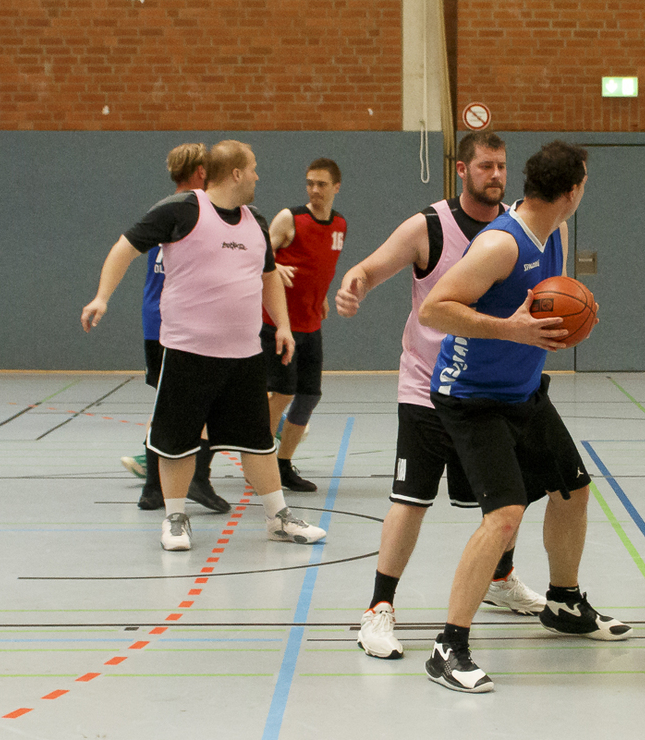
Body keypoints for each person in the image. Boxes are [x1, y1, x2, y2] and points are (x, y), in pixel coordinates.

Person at [418, 140, 632, 694]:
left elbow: (547, 301)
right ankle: (448, 647)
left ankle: (562, 602)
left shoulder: (555, 232)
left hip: (522, 391)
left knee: (573, 488)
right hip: (470, 397)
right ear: (572, 190)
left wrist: (576, 308)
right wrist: (511, 329)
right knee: (504, 515)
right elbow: (435, 307)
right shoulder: (501, 244)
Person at [335, 131, 546, 662]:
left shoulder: (520, 227)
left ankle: (500, 578)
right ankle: (378, 608)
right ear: (460, 170)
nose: (496, 175)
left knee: (507, 497)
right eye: (485, 166)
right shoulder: (429, 226)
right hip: (429, 387)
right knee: (411, 500)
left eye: (501, 166)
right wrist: (355, 282)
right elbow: (372, 266)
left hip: (492, 389)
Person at [80, 140, 327, 552]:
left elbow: (268, 276)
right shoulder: (181, 211)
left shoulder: (255, 221)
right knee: (178, 441)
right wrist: (102, 296)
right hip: (187, 353)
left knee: (258, 442)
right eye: (253, 169)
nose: (257, 176)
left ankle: (278, 518)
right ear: (234, 173)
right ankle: (175, 519)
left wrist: (282, 325)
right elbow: (125, 247)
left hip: (244, 355)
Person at [120, 142, 230, 514]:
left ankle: (161, 486)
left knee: (177, 406)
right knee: (185, 408)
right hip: (174, 324)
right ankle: (181, 482)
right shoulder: (189, 212)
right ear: (201, 172)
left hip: (164, 322)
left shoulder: (169, 209)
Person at [263, 158, 346, 493]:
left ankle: (283, 464)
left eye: (322, 184)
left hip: (311, 324)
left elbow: (321, 264)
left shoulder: (339, 224)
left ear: (336, 187)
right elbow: (257, 256)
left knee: (309, 395)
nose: (314, 190)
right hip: (278, 323)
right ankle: (261, 458)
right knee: (282, 392)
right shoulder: (290, 218)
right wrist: (273, 268)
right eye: (310, 182)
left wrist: (322, 295)